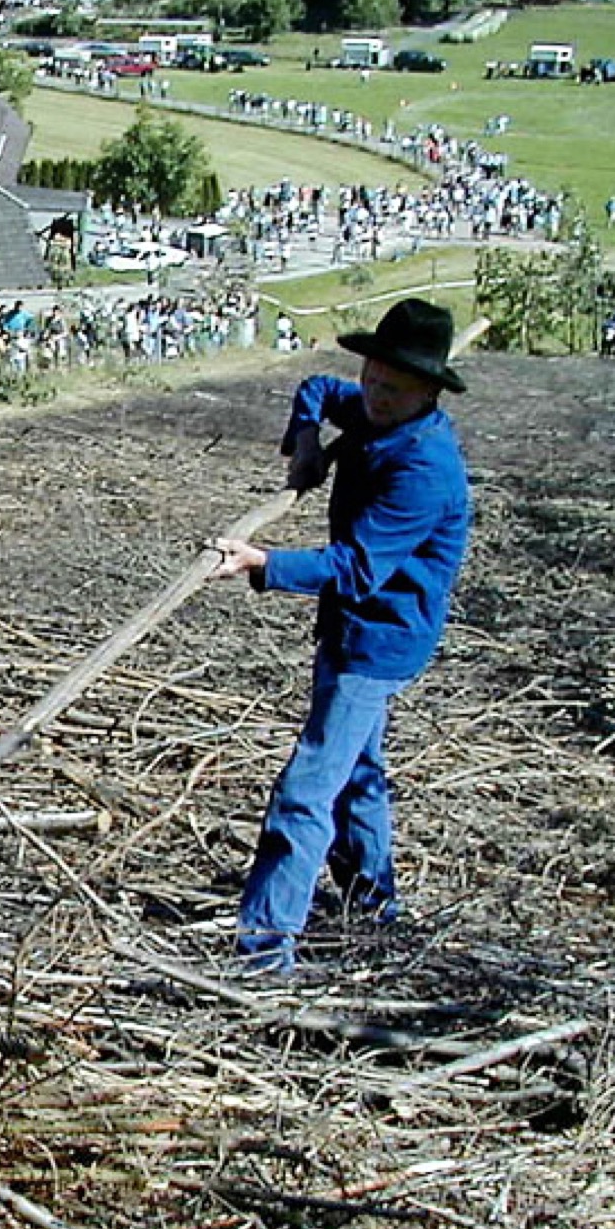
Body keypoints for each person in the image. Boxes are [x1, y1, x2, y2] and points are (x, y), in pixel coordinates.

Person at [208, 299, 471, 973]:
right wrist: (304, 441)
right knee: (358, 774)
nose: (375, 397)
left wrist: (263, 563)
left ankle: (263, 957)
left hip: (379, 640)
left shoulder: (425, 471)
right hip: (347, 629)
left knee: (306, 789)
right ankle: (374, 908)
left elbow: (354, 567)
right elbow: (320, 391)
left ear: (430, 393)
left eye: (394, 388)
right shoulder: (367, 407)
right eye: (373, 377)